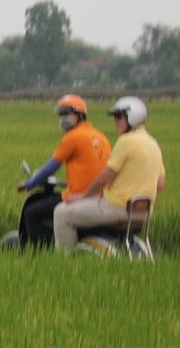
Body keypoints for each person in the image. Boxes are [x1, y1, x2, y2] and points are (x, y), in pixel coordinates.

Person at [54, 96, 166, 255]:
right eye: (115, 117)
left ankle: (65, 261)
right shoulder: (153, 143)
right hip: (143, 214)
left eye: (119, 116)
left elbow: (105, 177)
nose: (116, 121)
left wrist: (82, 196)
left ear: (132, 117)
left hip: (117, 209)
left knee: (61, 212)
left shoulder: (126, 141)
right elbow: (160, 184)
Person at [14, 95, 110, 249]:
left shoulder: (73, 137)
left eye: (66, 114)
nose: (62, 118)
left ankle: (39, 255)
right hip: (100, 196)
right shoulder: (100, 136)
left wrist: (29, 183)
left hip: (78, 197)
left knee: (32, 212)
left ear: (79, 115)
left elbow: (51, 167)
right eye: (60, 115)